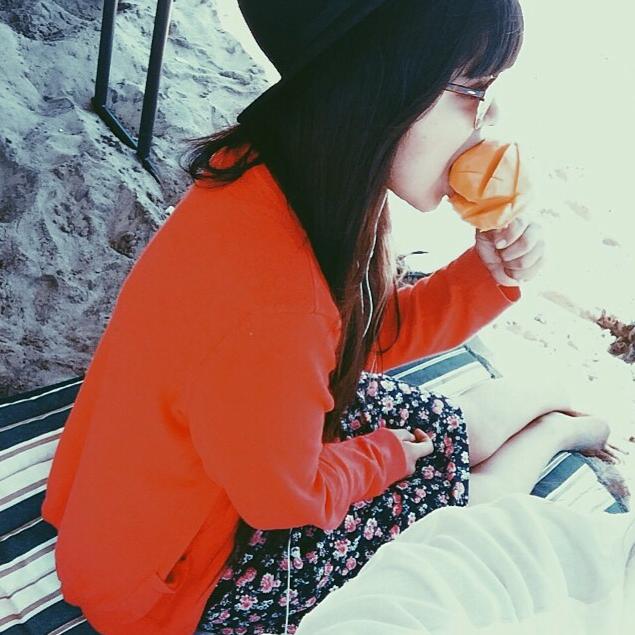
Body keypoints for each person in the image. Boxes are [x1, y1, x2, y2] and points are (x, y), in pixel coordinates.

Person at [40, 1, 617, 634]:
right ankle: (554, 434)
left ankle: (555, 398)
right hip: (172, 573)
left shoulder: (278, 175)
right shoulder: (281, 305)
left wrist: (488, 274)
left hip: (207, 460)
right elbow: (284, 499)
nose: (491, 122)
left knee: (442, 433)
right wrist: (385, 457)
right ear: (382, 81)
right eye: (474, 92)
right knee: (459, 519)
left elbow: (365, 337)